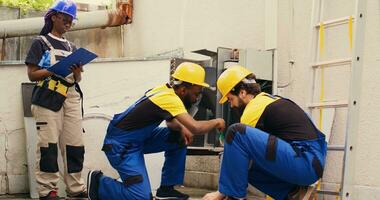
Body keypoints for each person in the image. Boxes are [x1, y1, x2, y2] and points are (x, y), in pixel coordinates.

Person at [87, 62, 226, 200]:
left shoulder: (164, 90)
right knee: (141, 197)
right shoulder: (170, 99)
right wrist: (217, 121)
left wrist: (181, 128)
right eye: (196, 94)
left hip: (138, 138)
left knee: (178, 138)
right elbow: (195, 127)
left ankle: (166, 189)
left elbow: (170, 121)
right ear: (183, 90)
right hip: (121, 145)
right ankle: (98, 184)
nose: (197, 99)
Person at [203, 65, 327, 200]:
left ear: (242, 92)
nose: (231, 105)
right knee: (242, 163)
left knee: (236, 132)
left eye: (230, 99)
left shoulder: (254, 109)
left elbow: (235, 151)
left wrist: (221, 192)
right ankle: (295, 193)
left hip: (305, 161)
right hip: (309, 162)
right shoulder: (267, 101)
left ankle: (233, 197)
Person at [25, 0, 87, 199]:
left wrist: (77, 73)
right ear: (54, 17)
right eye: (65, 18)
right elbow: (32, 75)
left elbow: (77, 79)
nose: (69, 23)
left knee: (74, 145)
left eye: (71, 20)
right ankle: (48, 190)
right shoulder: (40, 42)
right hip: (48, 97)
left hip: (70, 97)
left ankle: (76, 189)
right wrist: (52, 70)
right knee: (48, 146)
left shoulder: (72, 46)